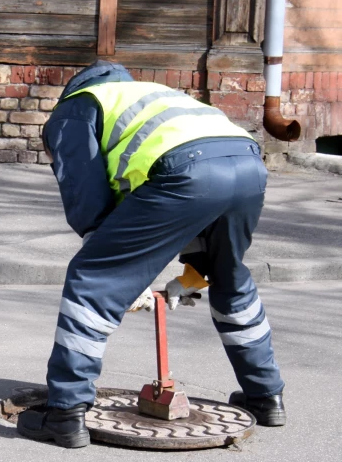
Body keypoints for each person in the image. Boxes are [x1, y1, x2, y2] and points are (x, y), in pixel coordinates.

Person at [16, 61, 286, 449]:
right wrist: (195, 270)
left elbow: (86, 192)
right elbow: (168, 202)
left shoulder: (77, 106)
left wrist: (119, 274)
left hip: (187, 169)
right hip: (247, 165)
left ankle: (65, 413)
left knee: (92, 279)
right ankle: (266, 396)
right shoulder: (152, 95)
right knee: (230, 276)